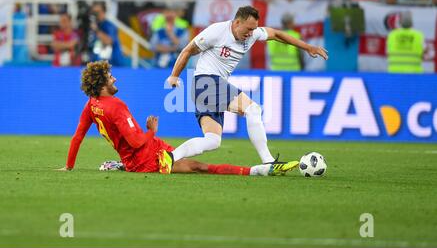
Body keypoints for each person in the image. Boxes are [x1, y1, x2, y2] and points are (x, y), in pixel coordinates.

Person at [57, 60, 298, 176]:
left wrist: (69, 166)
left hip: (138, 158)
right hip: (147, 159)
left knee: (197, 160)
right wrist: (151, 130)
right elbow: (135, 141)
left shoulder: (91, 105)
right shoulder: (116, 106)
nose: (115, 79)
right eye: (110, 77)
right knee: (199, 167)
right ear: (101, 83)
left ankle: (122, 163)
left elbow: (78, 137)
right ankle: (261, 170)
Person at [166, 6, 328, 165]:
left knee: (212, 141)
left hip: (205, 88)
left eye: (254, 29)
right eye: (248, 29)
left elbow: (277, 34)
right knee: (253, 109)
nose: (251, 33)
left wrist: (308, 47)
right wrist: (174, 75)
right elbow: (188, 50)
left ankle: (170, 157)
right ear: (237, 22)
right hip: (206, 82)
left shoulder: (252, 34)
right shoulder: (216, 32)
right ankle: (268, 161)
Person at [88, 2, 127, 66]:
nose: (95, 14)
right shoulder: (92, 26)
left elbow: (109, 41)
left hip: (113, 64)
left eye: (97, 12)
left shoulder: (109, 26)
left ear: (103, 12)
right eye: (93, 12)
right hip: (97, 64)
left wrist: (96, 30)